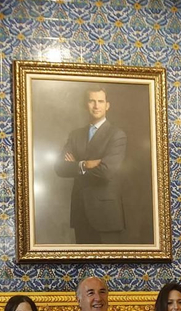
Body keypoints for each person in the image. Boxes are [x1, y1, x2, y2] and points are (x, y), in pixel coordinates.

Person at [52, 88, 127, 245]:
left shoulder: (116, 135)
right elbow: (60, 167)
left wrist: (75, 166)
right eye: (92, 101)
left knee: (107, 262)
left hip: (106, 215)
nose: (96, 106)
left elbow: (106, 172)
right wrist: (85, 164)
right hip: (80, 212)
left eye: (100, 101)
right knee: (83, 261)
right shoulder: (75, 135)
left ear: (107, 105)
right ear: (85, 104)